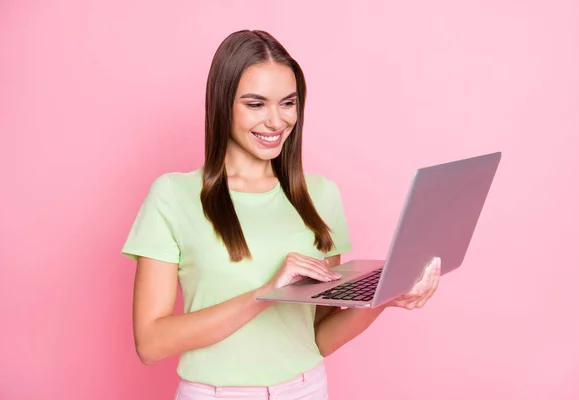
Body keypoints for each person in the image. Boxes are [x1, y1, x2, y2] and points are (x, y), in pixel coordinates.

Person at [121, 29, 441, 400]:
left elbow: (318, 336)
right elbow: (151, 343)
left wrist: (385, 296)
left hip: (305, 390)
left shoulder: (320, 195)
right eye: (256, 104)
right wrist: (265, 294)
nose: (276, 122)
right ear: (223, 104)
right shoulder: (173, 195)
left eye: (288, 103)